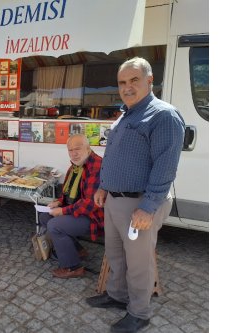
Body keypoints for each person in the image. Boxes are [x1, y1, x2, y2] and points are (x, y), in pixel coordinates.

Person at [86, 57, 185, 333]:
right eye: (122, 82)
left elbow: (166, 167)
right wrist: (103, 186)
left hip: (139, 203)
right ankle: (117, 296)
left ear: (149, 81)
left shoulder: (163, 115)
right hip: (114, 200)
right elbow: (114, 156)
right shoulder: (126, 114)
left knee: (139, 262)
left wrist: (148, 206)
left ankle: (139, 313)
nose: (127, 87)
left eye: (134, 80)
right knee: (116, 255)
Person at [38, 134, 103, 279]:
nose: (74, 154)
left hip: (93, 217)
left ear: (87, 148)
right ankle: (77, 250)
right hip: (79, 212)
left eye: (77, 149)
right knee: (44, 217)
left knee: (55, 225)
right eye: (70, 150)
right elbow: (68, 194)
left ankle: (73, 267)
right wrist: (59, 202)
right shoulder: (75, 167)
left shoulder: (96, 166)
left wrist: (62, 211)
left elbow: (89, 204)